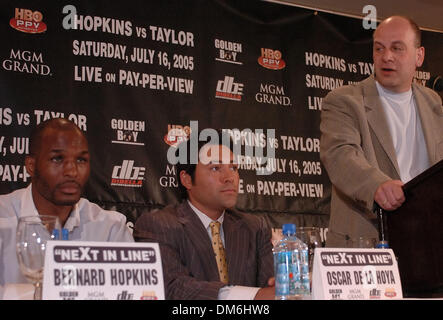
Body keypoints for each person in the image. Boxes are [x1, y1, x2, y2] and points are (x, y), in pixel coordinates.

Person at [320, 15, 443, 247]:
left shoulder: (433, 103)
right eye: (379, 48)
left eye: (397, 48)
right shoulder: (345, 100)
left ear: (419, 56)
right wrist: (376, 185)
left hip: (428, 245)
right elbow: (340, 154)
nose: (386, 56)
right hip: (366, 240)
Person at [134, 131, 275, 299]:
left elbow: (271, 287)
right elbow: (172, 287)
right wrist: (252, 296)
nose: (229, 177)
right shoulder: (158, 225)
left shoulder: (254, 227)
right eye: (215, 168)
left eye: (233, 168)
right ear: (187, 179)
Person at [0, 118, 134, 288]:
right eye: (57, 159)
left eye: (81, 160)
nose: (72, 171)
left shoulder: (110, 229)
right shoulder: (3, 218)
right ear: (31, 166)